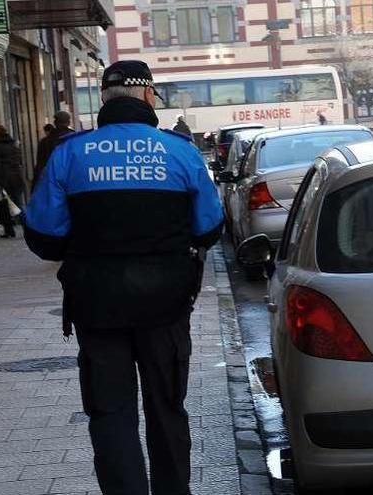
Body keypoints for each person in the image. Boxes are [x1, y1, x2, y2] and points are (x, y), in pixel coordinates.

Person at [23, 60, 224, 495]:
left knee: (110, 413)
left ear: (103, 100)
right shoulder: (181, 151)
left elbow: (43, 234)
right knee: (167, 408)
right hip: (166, 304)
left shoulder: (70, 152)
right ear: (149, 96)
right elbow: (210, 226)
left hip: (97, 306)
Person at [0, 125, 25, 238]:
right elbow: (19, 160)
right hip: (17, 178)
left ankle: (9, 230)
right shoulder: (14, 144)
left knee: (4, 205)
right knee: (19, 204)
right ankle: (27, 228)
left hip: (4, 179)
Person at [33, 111, 74, 190]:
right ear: (69, 122)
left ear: (55, 123)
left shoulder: (45, 142)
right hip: (73, 182)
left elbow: (40, 165)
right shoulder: (76, 139)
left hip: (52, 183)